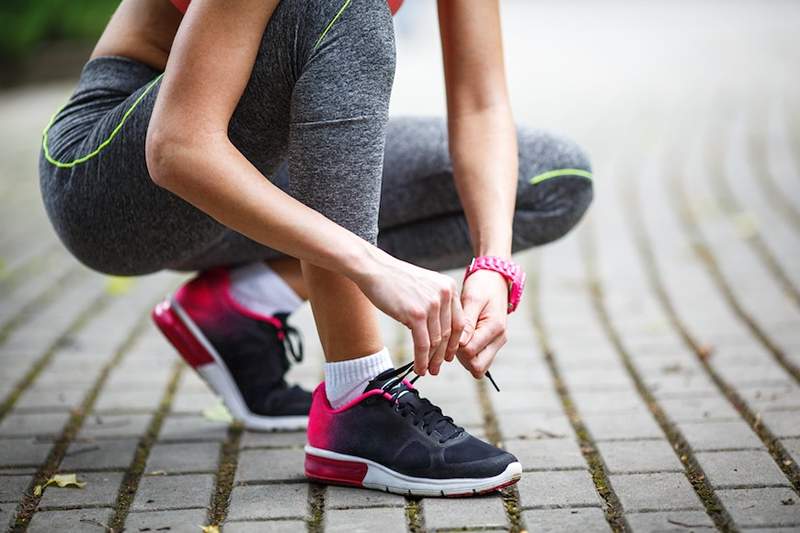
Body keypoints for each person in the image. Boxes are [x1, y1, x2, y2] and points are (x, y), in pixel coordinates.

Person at [38, 0, 593, 496]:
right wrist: (370, 266)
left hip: (249, 175)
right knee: (342, 4)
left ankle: (243, 306)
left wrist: (492, 265)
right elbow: (177, 147)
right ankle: (356, 399)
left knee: (553, 180)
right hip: (116, 180)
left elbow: (480, 104)